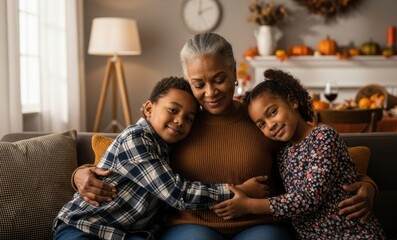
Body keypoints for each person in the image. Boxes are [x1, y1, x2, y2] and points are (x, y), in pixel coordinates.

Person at [72, 33, 378, 240]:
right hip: (192, 223)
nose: (210, 92)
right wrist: (79, 174)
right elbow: (125, 160)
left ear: (234, 71)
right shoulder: (179, 122)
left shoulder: (262, 116)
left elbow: (312, 157)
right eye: (199, 83)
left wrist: (367, 185)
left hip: (259, 223)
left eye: (219, 79)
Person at [53, 77, 269, 240]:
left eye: (189, 118)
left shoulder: (169, 146)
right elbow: (177, 193)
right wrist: (240, 191)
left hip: (127, 234)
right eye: (173, 110)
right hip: (85, 227)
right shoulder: (135, 139)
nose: (179, 121)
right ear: (149, 108)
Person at [211, 69, 386, 239]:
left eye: (273, 112)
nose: (270, 125)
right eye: (261, 124)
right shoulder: (282, 152)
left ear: (293, 101)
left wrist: (249, 206)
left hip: (350, 233)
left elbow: (309, 199)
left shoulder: (323, 137)